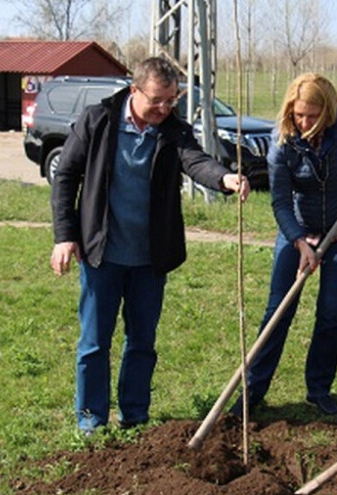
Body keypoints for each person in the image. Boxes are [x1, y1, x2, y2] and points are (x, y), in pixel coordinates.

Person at [50, 56, 249, 434]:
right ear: (134, 90)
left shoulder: (173, 130)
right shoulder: (98, 121)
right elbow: (65, 178)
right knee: (94, 342)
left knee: (142, 342)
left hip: (150, 258)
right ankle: (91, 419)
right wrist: (65, 236)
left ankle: (135, 415)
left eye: (172, 100)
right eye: (157, 100)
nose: (164, 108)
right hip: (101, 253)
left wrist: (225, 179)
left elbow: (196, 161)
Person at [231, 72, 337, 417]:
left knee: (330, 313)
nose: (304, 122)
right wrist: (299, 242)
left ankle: (318, 388)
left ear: (328, 111)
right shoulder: (282, 141)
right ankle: (252, 392)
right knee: (278, 312)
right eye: (298, 114)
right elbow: (278, 201)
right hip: (297, 231)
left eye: (312, 115)